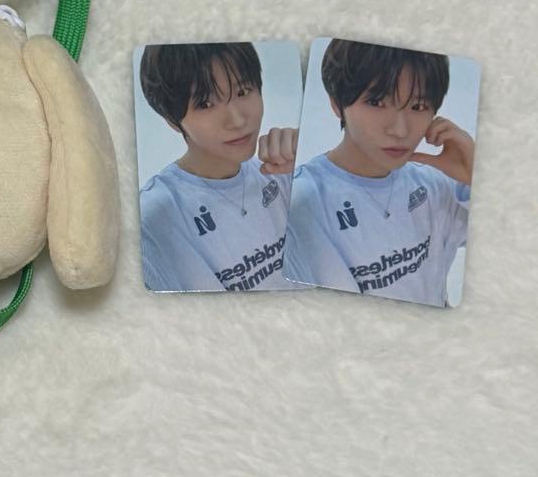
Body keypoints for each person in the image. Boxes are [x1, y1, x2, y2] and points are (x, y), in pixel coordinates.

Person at [282, 40, 473, 306]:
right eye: (377, 102)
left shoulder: (437, 185)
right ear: (337, 103)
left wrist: (475, 175)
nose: (400, 130)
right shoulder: (301, 203)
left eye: (417, 107)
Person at [138, 43, 298, 292]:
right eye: (205, 104)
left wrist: (318, 169)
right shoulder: (153, 220)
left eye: (243, 91)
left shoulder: (284, 173)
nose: (237, 120)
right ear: (172, 120)